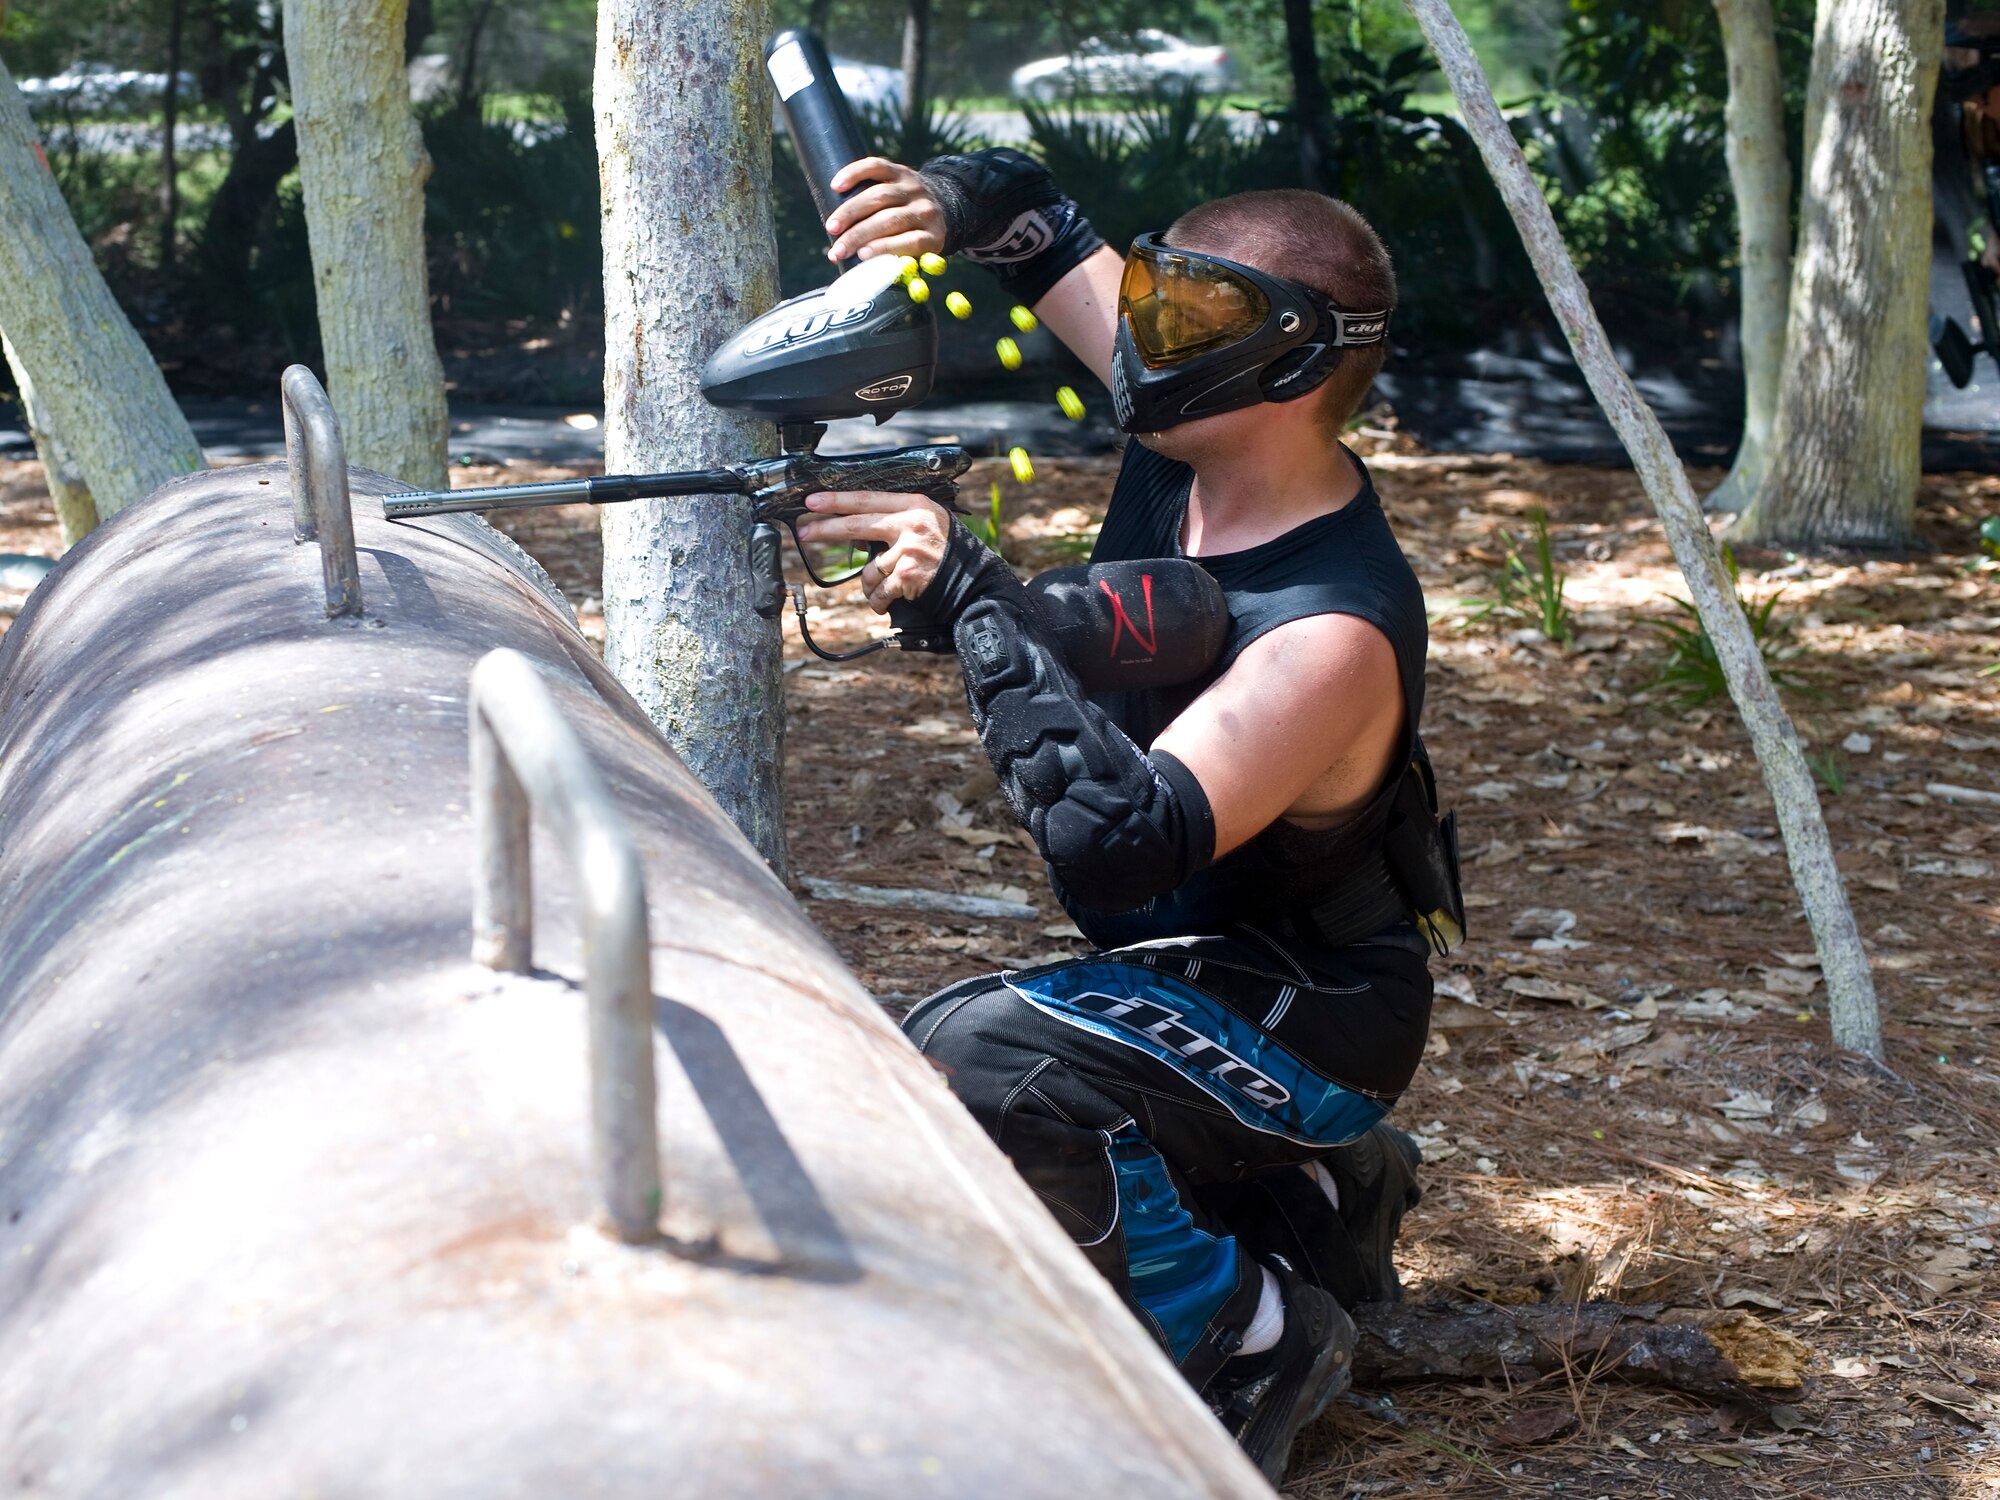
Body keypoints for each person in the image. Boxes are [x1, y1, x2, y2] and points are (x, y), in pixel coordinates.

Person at [793, 148, 1459, 1484]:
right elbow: (1034, 220)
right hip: (1202, 966)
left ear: (1297, 363)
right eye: (1150, 304)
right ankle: (1305, 1197)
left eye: (1183, 324)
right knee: (967, 1056)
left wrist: (977, 599)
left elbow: (1121, 842)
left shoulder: (1332, 629)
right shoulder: (1193, 428)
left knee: (988, 1060)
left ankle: (1249, 1336)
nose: (1140, 345)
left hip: (1312, 1009)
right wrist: (937, 202)